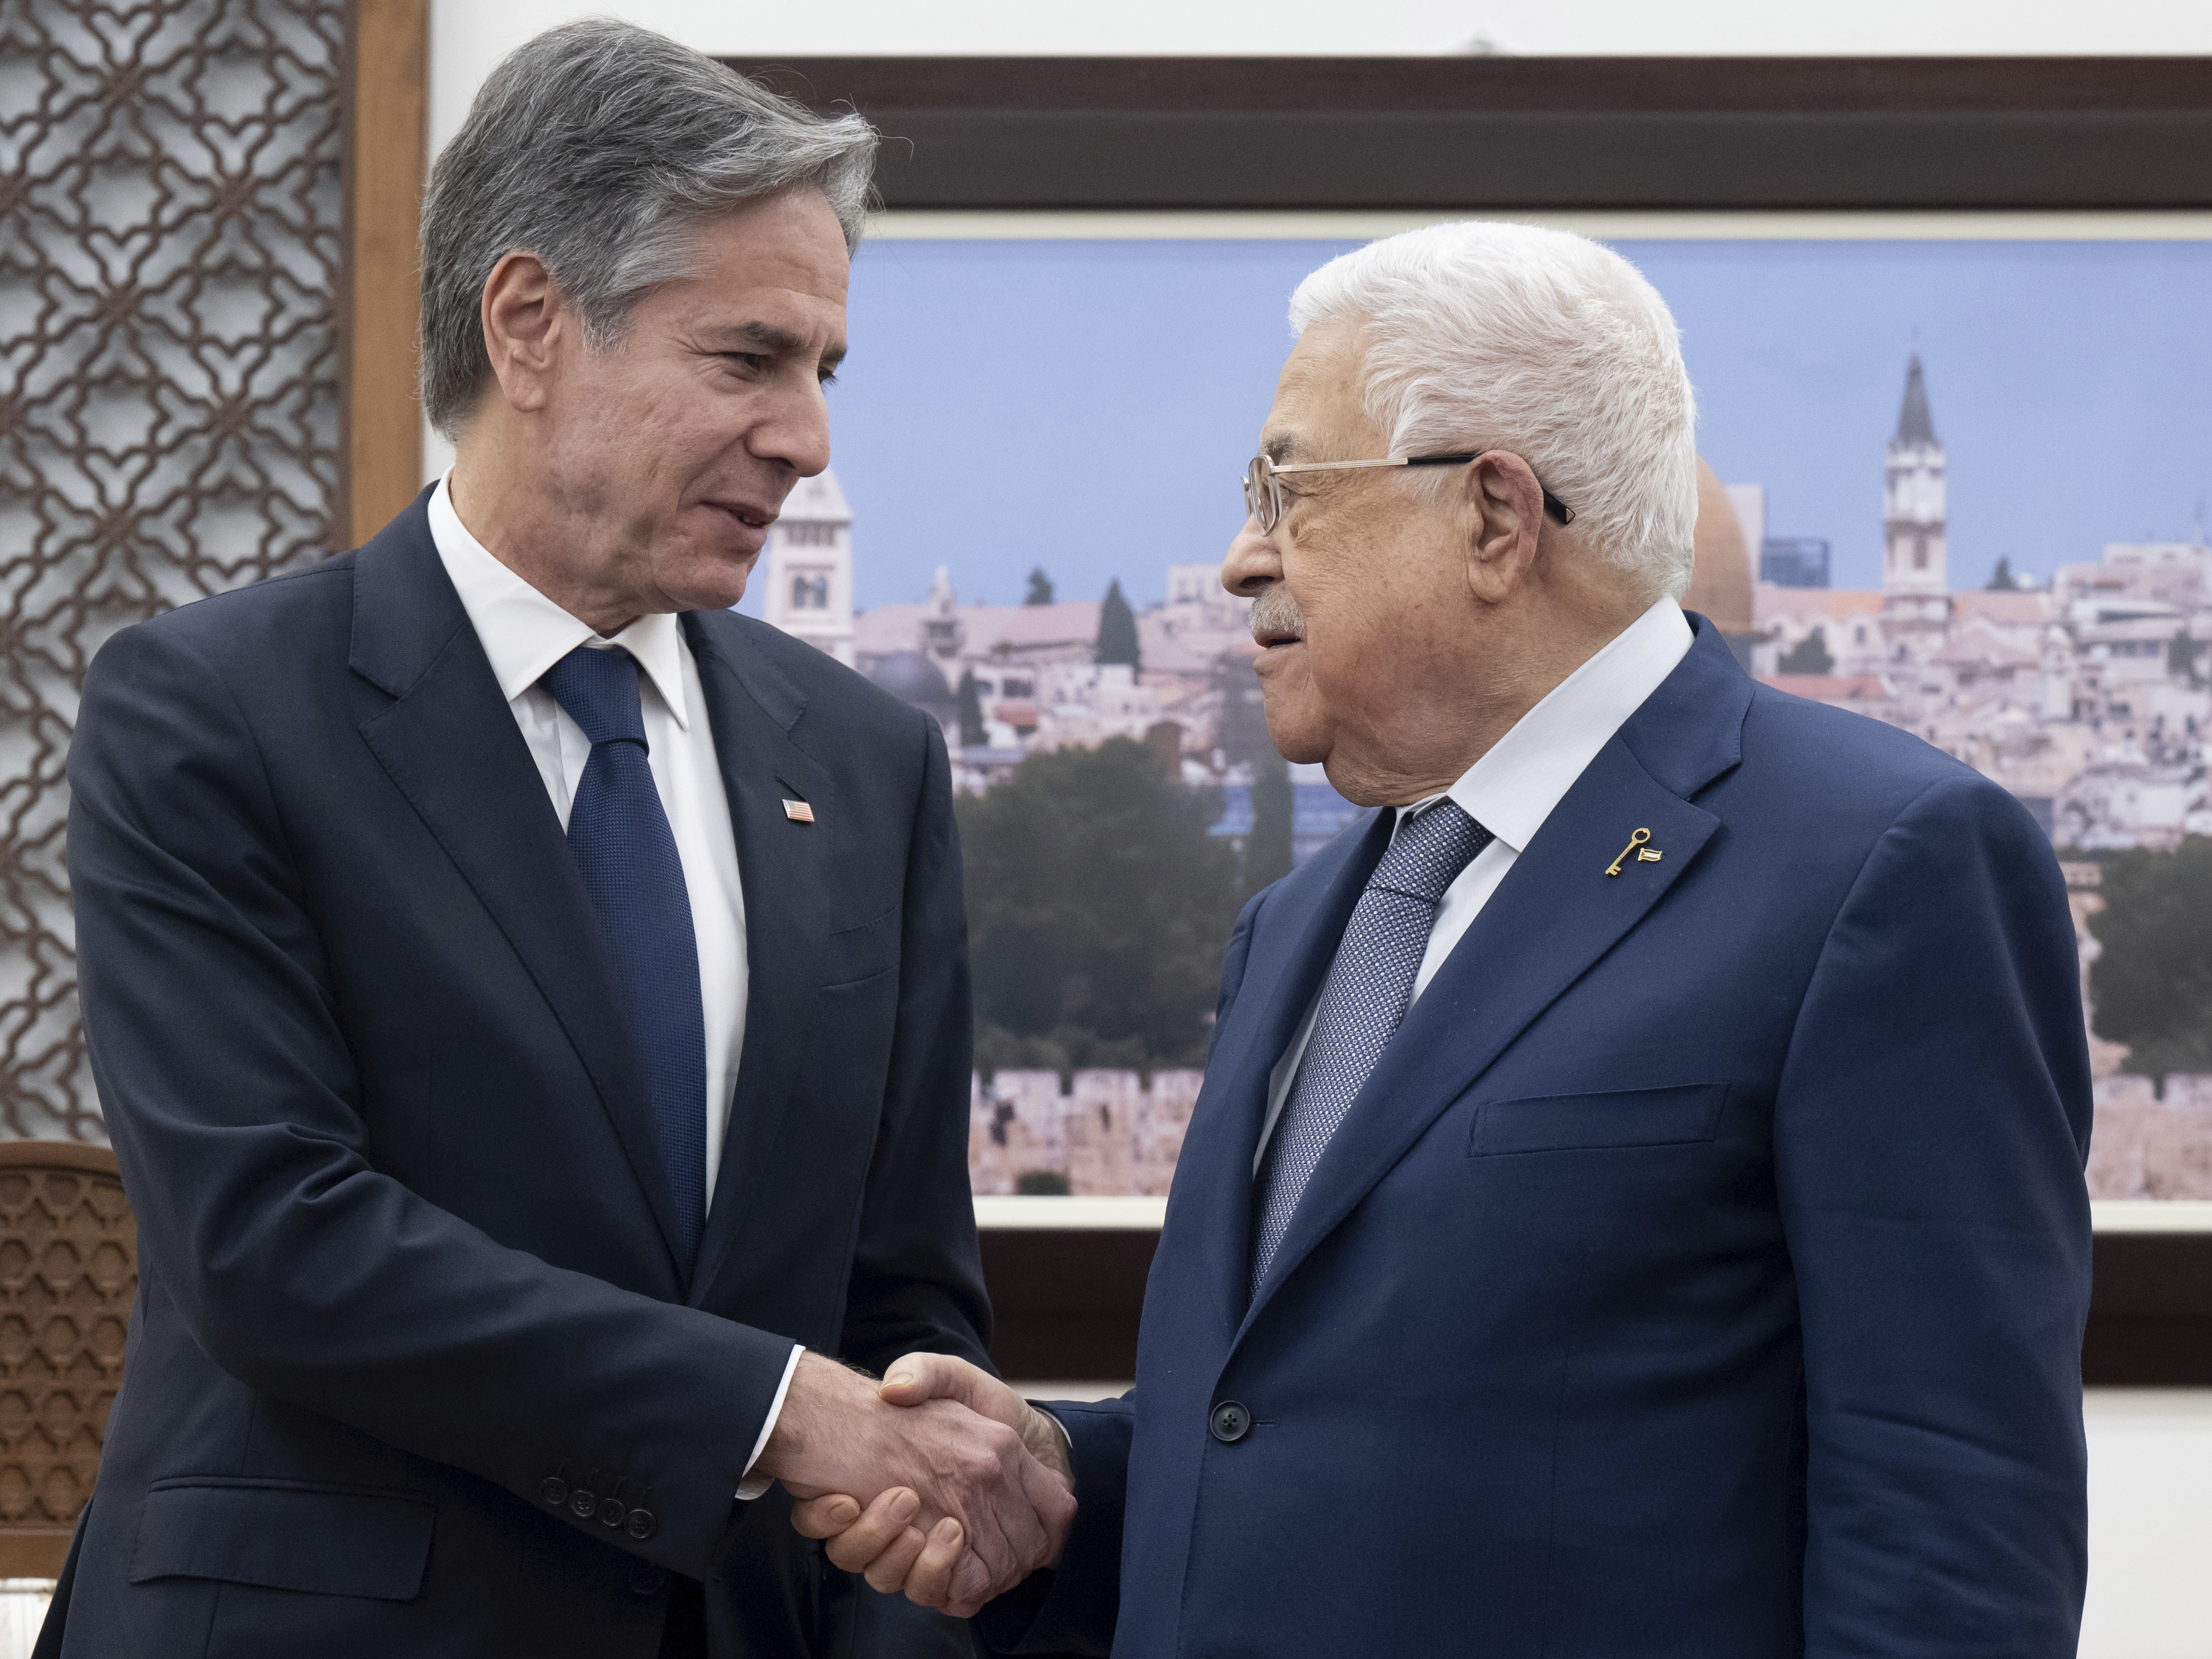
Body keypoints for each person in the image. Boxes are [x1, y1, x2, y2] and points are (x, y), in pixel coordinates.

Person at [797, 221, 2094, 1656]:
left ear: (1493, 517)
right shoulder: (1303, 924)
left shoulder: (1879, 866)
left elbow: (1951, 1533)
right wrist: (1055, 1482)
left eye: (1287, 490)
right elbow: (1281, 1427)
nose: (1239, 561)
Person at [48, 22, 1069, 1659]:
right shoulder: (212, 712)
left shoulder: (868, 766)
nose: (809, 441)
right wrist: (773, 1411)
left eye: (825, 373)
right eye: (751, 361)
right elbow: (271, 1241)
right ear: (529, 325)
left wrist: (914, 1490)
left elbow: (898, 1300)